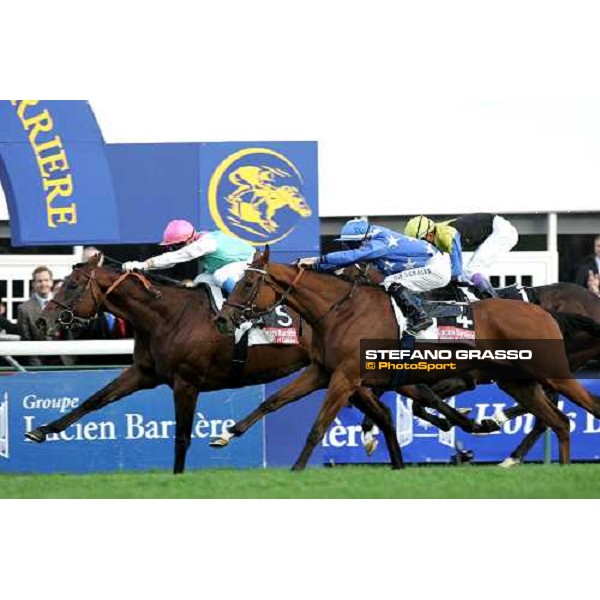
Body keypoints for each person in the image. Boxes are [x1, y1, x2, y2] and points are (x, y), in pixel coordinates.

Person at [298, 218, 452, 334]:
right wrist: (314, 266)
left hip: (437, 268)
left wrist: (317, 259)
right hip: (431, 266)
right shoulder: (372, 239)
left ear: (362, 239)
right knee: (387, 284)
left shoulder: (380, 242)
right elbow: (343, 262)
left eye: (350, 243)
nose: (347, 246)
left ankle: (421, 317)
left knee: (390, 282)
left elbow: (351, 256)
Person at [121, 219, 255, 294]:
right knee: (200, 281)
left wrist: (143, 265)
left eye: (175, 246)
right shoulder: (199, 239)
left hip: (250, 262)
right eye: (171, 247)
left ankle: (248, 308)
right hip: (234, 263)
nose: (173, 249)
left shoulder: (204, 244)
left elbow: (174, 258)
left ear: (188, 240)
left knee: (220, 275)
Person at [405, 213, 518, 298]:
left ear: (429, 234)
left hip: (502, 231)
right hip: (492, 230)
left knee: (470, 272)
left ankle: (494, 302)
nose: (423, 245)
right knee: (464, 276)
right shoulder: (435, 234)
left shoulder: (447, 235)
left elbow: (457, 270)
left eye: (422, 241)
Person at [17, 266, 74, 367]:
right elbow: (26, 342)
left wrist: (69, 362)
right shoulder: (24, 309)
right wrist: (37, 368)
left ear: (51, 282)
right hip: (39, 364)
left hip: (63, 363)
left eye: (46, 280)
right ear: (33, 284)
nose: (43, 284)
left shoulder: (64, 306)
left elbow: (70, 337)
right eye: (39, 281)